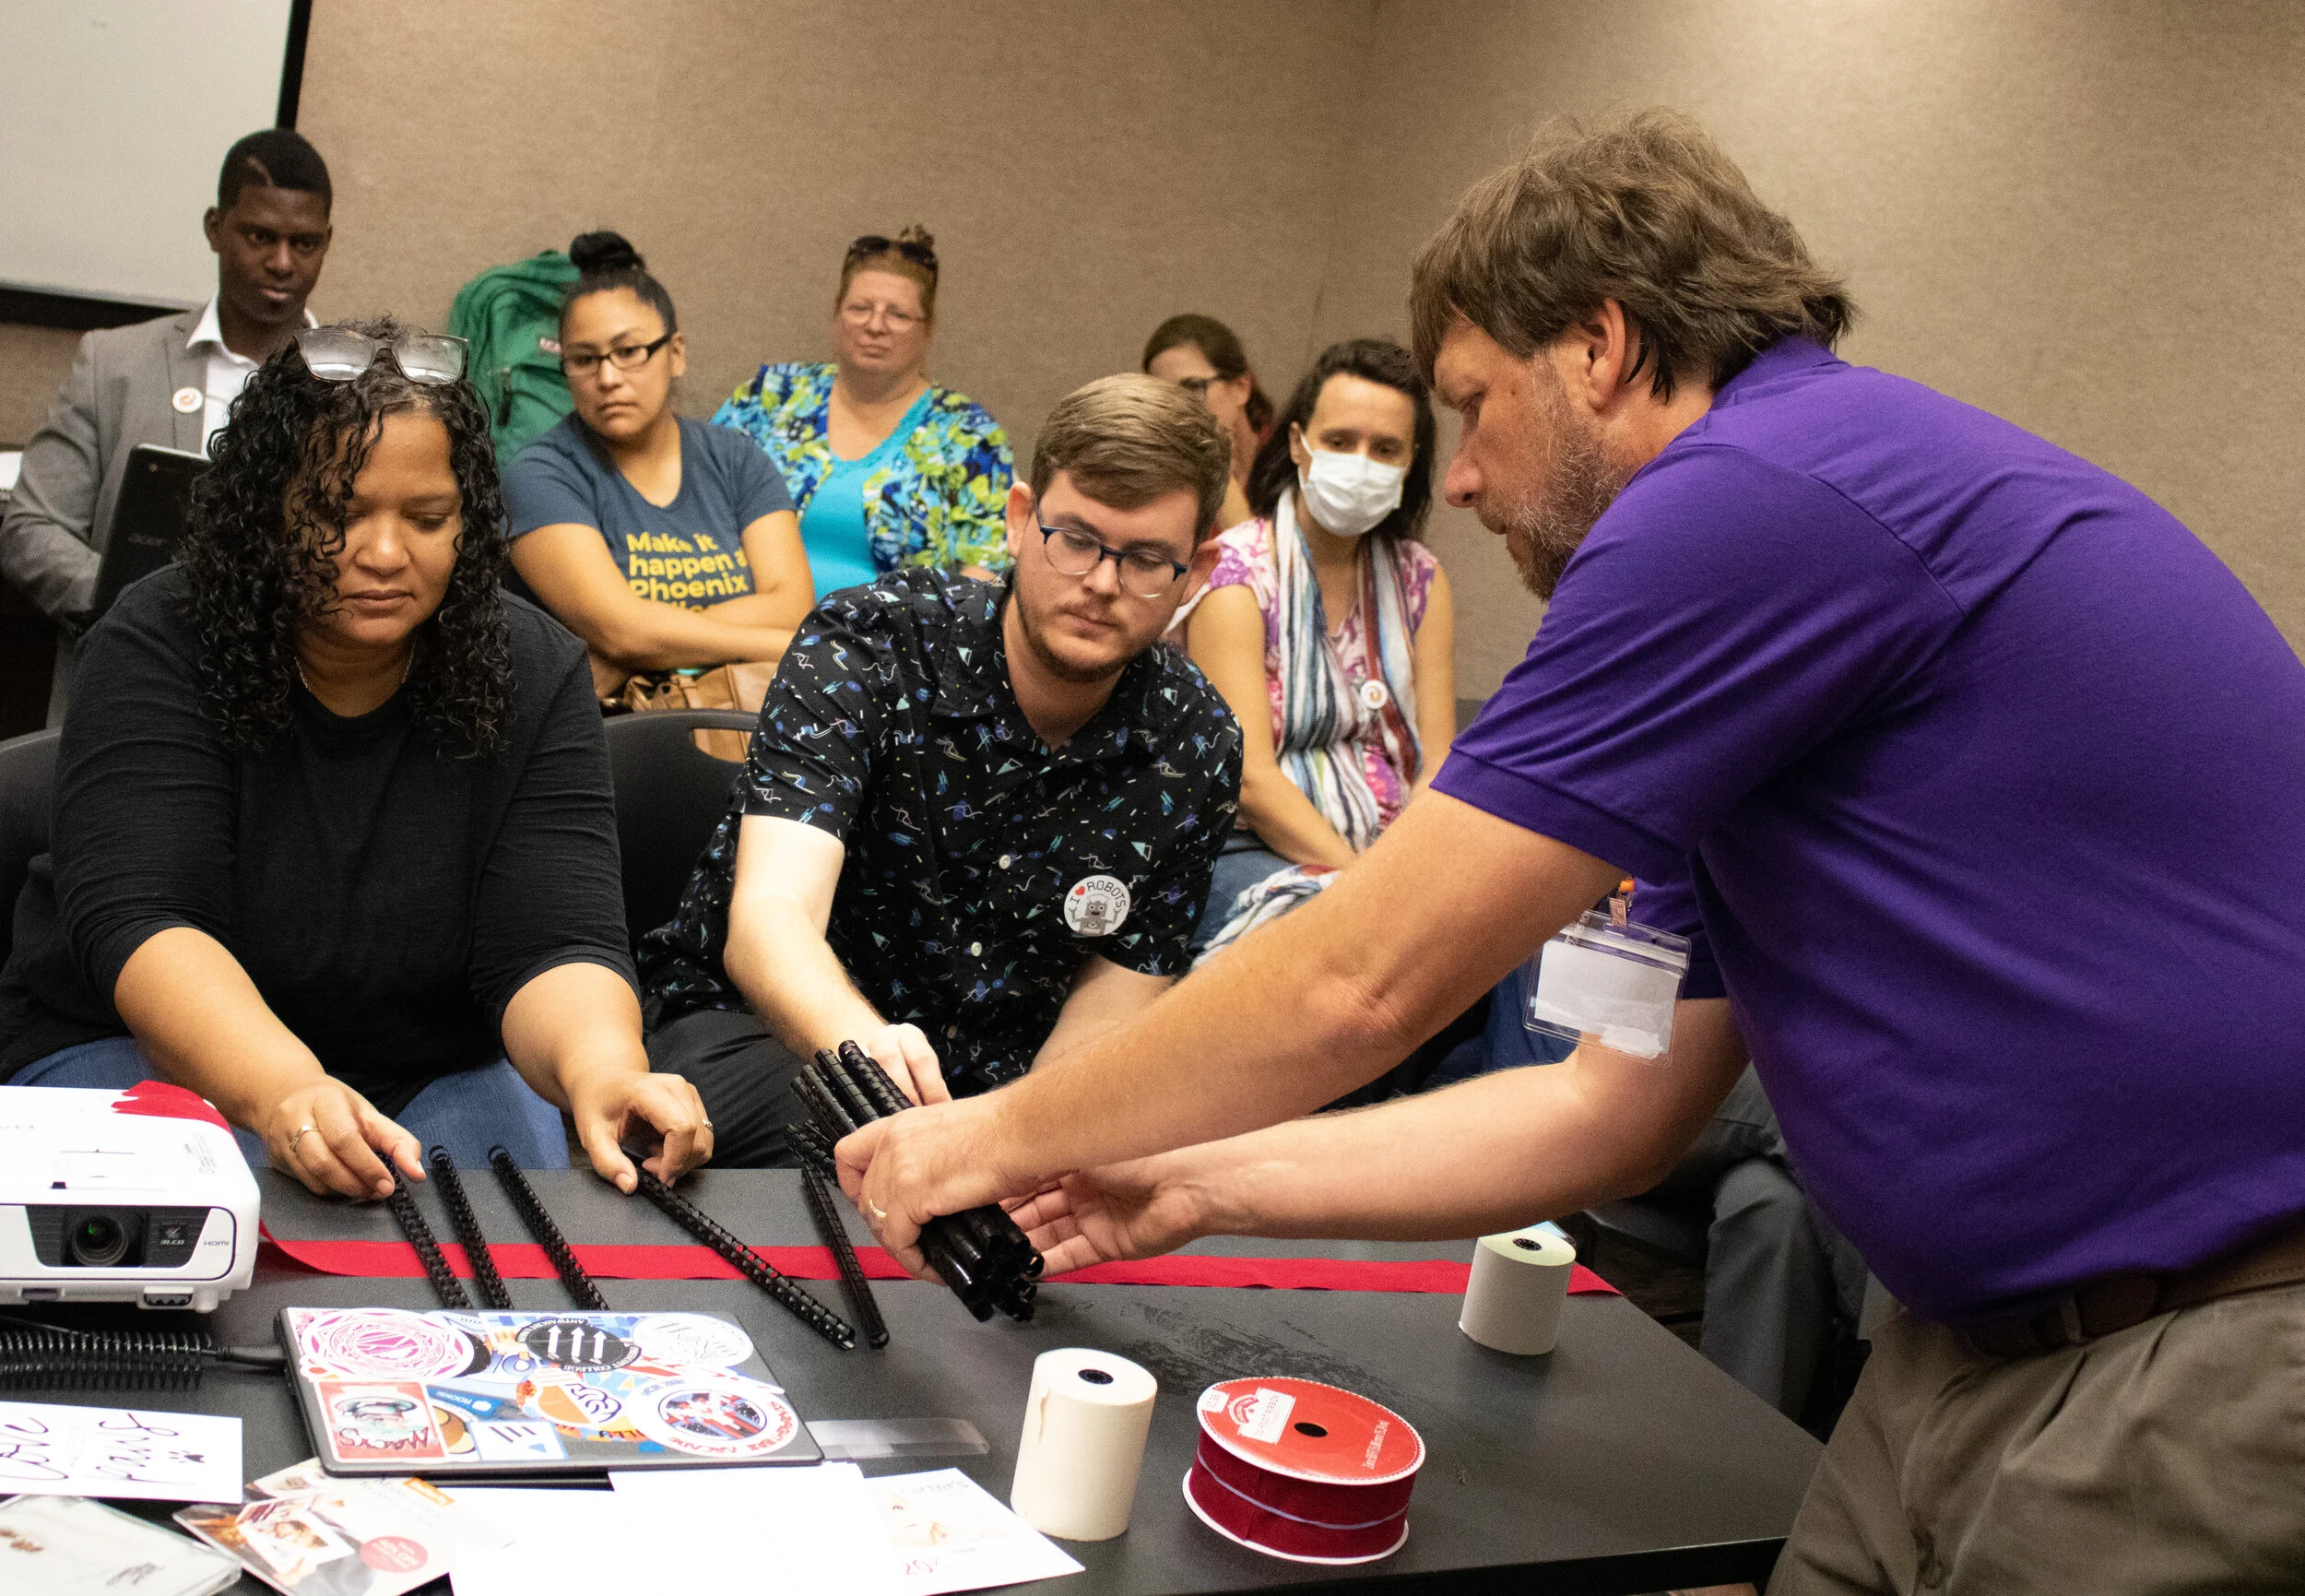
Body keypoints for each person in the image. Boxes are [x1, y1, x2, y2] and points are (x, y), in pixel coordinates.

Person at [843, 112, 2305, 1594]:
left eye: (1472, 407)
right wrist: (1200, 1180)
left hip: (2208, 1339)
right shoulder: (1789, 573)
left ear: (1598, 346)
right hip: (1968, 1345)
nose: (1459, 478)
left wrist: (992, 1134)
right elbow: (1612, 1107)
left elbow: (1364, 976)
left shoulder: (1753, 495)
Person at [0, 319, 711, 1200]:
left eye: (427, 518)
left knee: (498, 1282)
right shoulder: (159, 639)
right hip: (142, 1051)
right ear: (269, 510)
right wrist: (287, 1089)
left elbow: (554, 940)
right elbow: (147, 922)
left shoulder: (532, 666)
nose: (384, 553)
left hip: (427, 1068)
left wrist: (601, 1070)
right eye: (339, 513)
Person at [639, 374, 1242, 1167]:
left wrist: (1025, 1140)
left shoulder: (1195, 744)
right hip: (773, 1029)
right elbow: (768, 924)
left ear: (1194, 568)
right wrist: (889, 1081)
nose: (1101, 582)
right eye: (1077, 539)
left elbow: (1108, 1012)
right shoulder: (869, 642)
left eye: (1145, 561)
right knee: (865, 1164)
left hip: (998, 1085)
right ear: (1022, 519)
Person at [1, 129, 334, 723]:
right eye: (260, 236)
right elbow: (31, 526)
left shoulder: (355, 385)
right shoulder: (114, 363)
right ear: (215, 227)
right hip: (124, 689)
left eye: (304, 244)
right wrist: (134, 606)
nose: (282, 263)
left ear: (326, 243)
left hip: (293, 704)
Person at [1175, 337, 1453, 950]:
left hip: (1391, 854)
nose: (1361, 462)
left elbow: (1436, 763)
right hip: (1255, 850)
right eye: (1340, 441)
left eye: (1385, 449)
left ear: (1410, 464)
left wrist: (1422, 882)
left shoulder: (1420, 577)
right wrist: (1364, 889)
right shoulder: (1237, 572)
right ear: (1299, 444)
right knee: (1349, 940)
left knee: (1524, 936)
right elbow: (1250, 779)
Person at [503, 231, 811, 700]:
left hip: (744, 719)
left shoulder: (736, 458)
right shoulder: (538, 474)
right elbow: (623, 631)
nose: (608, 378)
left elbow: (791, 605)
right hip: (613, 739)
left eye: (628, 352)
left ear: (676, 353)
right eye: (584, 359)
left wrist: (640, 646)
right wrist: (780, 645)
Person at [714, 228, 1011, 598]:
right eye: (860, 309)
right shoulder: (769, 397)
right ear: (836, 315)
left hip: (887, 649)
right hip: (739, 628)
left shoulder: (969, 436)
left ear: (928, 331)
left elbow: (986, 572)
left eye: (899, 315)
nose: (875, 326)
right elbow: (692, 498)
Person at [1142, 313, 1271, 532]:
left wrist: (1220, 472)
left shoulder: (1292, 461)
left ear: (1241, 388)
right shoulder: (1163, 478)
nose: (1178, 408)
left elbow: (1254, 563)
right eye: (1164, 396)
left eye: (1193, 387)